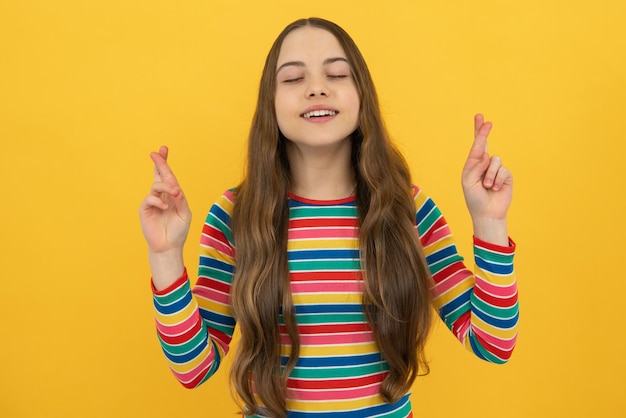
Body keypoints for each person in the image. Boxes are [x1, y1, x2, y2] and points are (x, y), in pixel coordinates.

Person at [139, 17, 518, 418]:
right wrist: (164, 255)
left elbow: (493, 344)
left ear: (362, 95)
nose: (316, 88)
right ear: (270, 103)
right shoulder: (236, 216)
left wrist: (490, 223)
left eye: (336, 73)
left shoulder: (408, 210)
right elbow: (193, 369)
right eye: (292, 79)